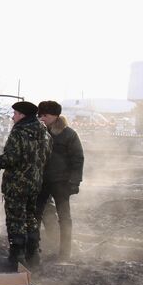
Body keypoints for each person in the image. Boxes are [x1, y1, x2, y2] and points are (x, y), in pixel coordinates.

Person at [0, 101, 51, 269]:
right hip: (35, 184)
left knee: (15, 221)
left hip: (17, 185)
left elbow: (10, 159)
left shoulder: (19, 132)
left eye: (15, 113)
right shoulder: (44, 132)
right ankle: (33, 257)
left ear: (22, 115)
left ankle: (16, 259)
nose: (13, 116)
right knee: (31, 218)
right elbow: (46, 157)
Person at [35, 101, 84, 261]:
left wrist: (74, 182)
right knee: (37, 214)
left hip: (61, 183)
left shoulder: (69, 134)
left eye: (45, 115)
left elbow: (78, 159)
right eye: (40, 115)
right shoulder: (38, 132)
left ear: (55, 116)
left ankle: (64, 253)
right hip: (41, 181)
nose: (42, 118)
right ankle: (36, 249)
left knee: (64, 217)